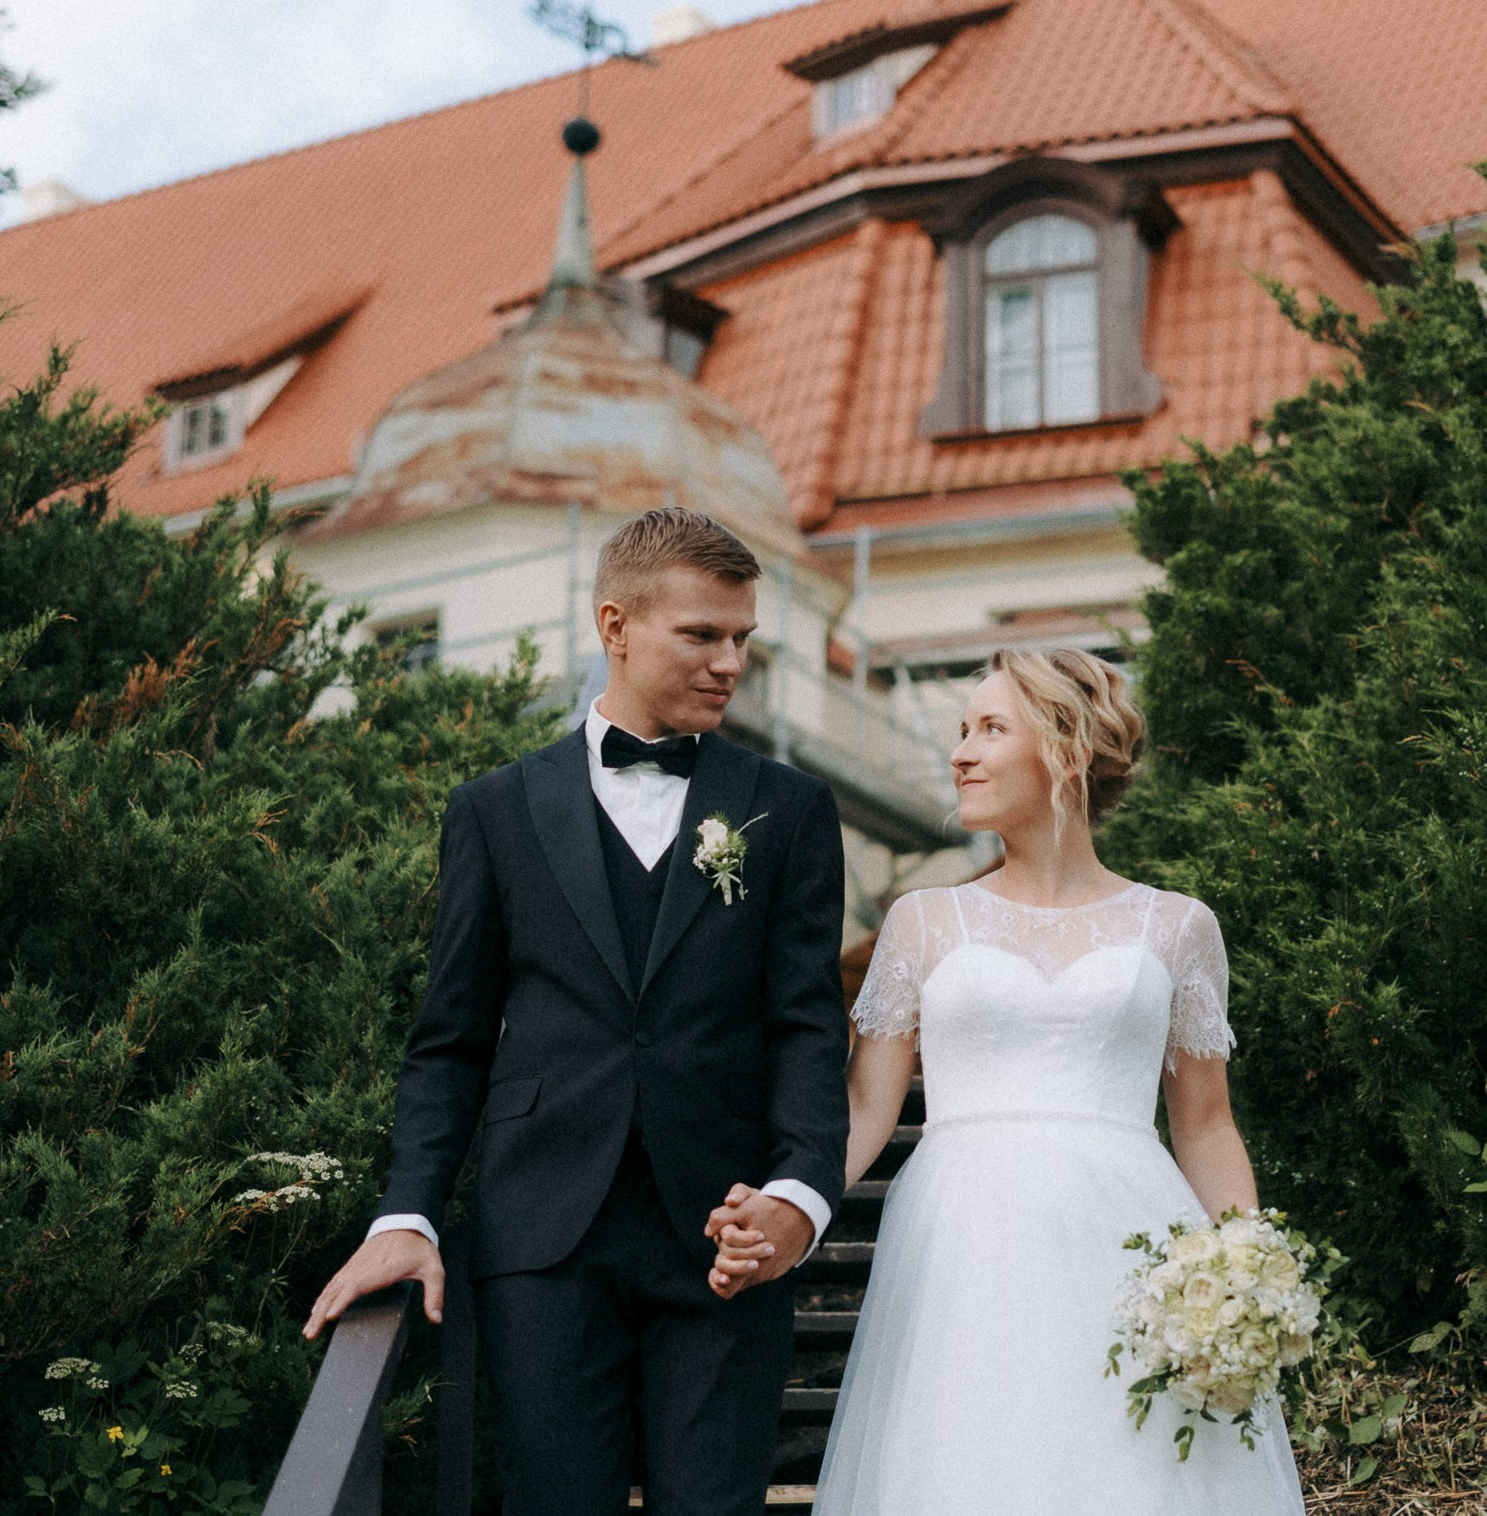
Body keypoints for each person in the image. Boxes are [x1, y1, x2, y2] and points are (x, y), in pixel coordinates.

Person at [305, 507, 850, 1516]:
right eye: (702, 635)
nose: (731, 662)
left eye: (742, 639)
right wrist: (408, 1210)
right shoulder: (496, 809)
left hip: (724, 1237)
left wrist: (800, 1196)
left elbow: (808, 1027)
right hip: (544, 1237)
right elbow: (452, 1039)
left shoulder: (789, 810)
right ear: (616, 626)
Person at [718, 648, 1303, 1514]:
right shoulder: (923, 922)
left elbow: (1207, 1127)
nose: (959, 752)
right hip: (961, 1249)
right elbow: (866, 1108)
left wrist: (1251, 1268)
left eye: (990, 728)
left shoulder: (1178, 927)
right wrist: (789, 1203)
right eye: (961, 730)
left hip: (1132, 1250)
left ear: (1068, 748)